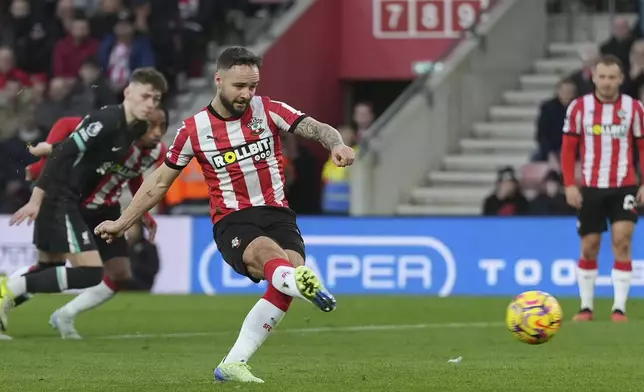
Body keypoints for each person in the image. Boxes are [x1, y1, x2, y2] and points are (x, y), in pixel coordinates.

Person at [94, 46, 355, 383]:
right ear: (218, 80)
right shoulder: (193, 130)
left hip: (278, 213)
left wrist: (335, 144)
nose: (247, 94)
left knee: (282, 281)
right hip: (234, 219)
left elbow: (317, 127)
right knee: (273, 259)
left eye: (252, 86)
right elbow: (159, 182)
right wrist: (121, 222)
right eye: (239, 86)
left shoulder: (269, 110)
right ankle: (304, 282)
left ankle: (234, 363)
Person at [0, 67, 168, 333]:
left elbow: (130, 174)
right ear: (128, 92)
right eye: (146, 97)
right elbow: (67, 146)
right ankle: (7, 289)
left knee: (58, 267)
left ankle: (53, 312)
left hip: (91, 204)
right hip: (66, 198)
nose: (150, 105)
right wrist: (36, 196)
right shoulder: (108, 121)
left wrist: (141, 214)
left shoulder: (132, 133)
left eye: (155, 100)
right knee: (85, 272)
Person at [561, 55, 644, 323]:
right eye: (602, 76)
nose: (607, 82)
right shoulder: (578, 108)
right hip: (591, 187)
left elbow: (642, 148)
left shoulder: (634, 108)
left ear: (621, 79)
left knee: (622, 240)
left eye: (612, 77)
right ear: (593, 77)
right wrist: (569, 184)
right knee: (590, 245)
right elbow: (568, 148)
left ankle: (619, 308)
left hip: (624, 185)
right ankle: (586, 307)